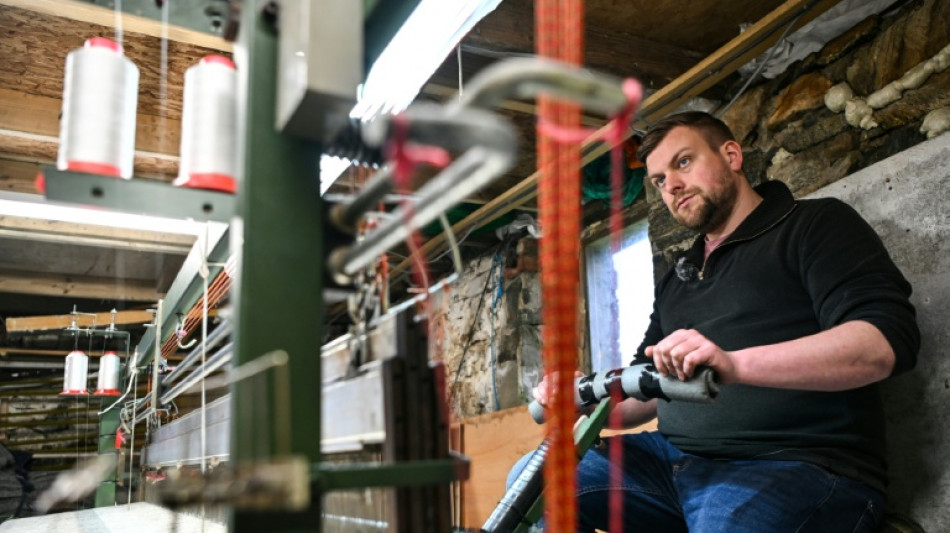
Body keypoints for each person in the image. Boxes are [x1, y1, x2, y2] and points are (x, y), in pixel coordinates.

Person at [528, 111, 919, 532]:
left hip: (796, 464)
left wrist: (734, 364)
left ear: (731, 155)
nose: (671, 186)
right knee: (536, 486)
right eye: (659, 180)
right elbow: (647, 390)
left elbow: (881, 344)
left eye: (683, 162)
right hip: (673, 463)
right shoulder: (677, 277)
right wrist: (586, 401)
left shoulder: (813, 225)